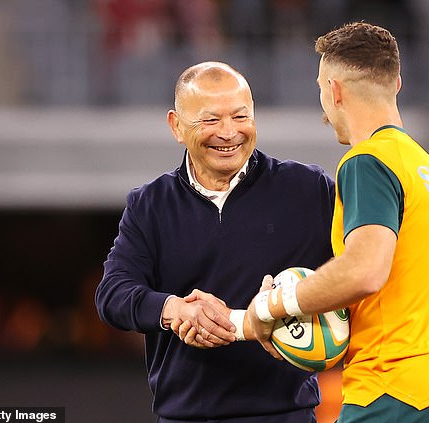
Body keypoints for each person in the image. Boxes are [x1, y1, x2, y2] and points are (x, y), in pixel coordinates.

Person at [243, 22, 429, 423]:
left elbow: (365, 271)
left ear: (335, 91)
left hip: (398, 387)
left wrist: (272, 306)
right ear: (397, 84)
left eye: (321, 87)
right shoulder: (425, 164)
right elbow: (405, 255)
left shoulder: (365, 162)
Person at [95, 61, 336, 422]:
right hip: (186, 417)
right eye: (210, 120)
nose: (229, 133)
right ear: (176, 126)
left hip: (286, 414)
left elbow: (376, 249)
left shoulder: (308, 189)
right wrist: (174, 309)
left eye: (241, 117)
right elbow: (111, 294)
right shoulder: (149, 204)